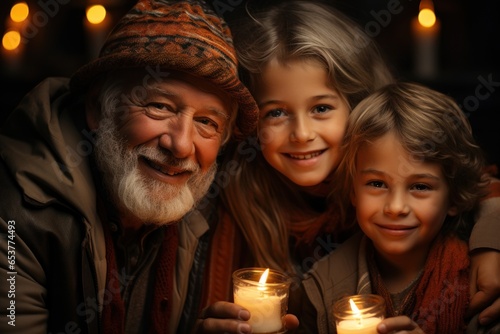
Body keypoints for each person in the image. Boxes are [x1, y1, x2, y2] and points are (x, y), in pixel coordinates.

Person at [196, 0, 500, 330]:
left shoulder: (400, 172)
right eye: (277, 113)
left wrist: (490, 243)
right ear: (252, 121)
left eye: (321, 108)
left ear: (356, 105)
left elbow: (476, 184)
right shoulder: (237, 198)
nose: (302, 134)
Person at [0, 0, 263, 333]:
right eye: (159, 106)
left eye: (207, 122)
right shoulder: (15, 213)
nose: (181, 145)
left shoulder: (208, 210)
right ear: (98, 109)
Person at [290, 81, 498, 333]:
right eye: (377, 183)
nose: (396, 207)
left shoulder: (483, 282)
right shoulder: (323, 286)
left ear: (453, 198)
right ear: (353, 191)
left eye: (420, 187)